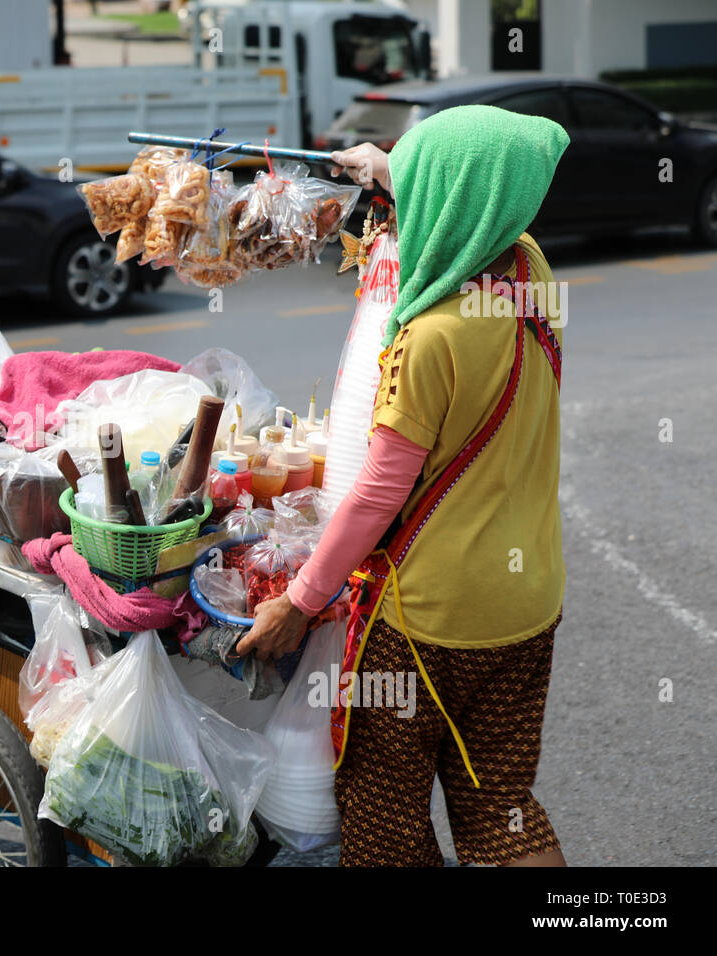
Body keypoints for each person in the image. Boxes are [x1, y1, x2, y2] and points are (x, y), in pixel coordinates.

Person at [237, 105, 570, 867]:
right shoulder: (529, 275)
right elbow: (477, 190)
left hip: (429, 624)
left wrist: (299, 602)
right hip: (526, 606)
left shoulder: (429, 340)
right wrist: (385, 166)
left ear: (445, 198)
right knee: (502, 810)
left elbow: (376, 498)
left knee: (384, 820)